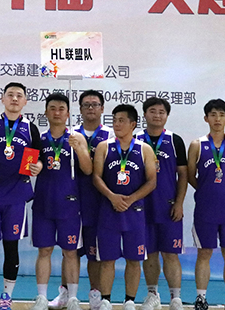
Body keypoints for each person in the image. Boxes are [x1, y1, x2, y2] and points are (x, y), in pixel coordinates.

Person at [0, 82, 42, 310]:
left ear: (25, 101)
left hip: (16, 196)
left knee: (11, 247)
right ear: (2, 98)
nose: (14, 99)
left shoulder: (30, 128)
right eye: (10, 95)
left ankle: (6, 296)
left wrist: (38, 166)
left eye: (19, 95)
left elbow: (38, 158)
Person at [49, 90, 113, 310]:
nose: (90, 108)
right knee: (70, 251)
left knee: (95, 254)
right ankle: (65, 294)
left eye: (95, 104)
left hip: (99, 203)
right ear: (80, 109)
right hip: (71, 201)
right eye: (86, 105)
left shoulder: (111, 135)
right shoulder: (70, 134)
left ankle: (95, 295)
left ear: (102, 108)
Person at [92, 104, 157, 310]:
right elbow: (96, 177)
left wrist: (130, 199)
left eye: (121, 120)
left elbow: (152, 181)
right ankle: (106, 300)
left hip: (134, 211)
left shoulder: (144, 149)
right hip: (109, 210)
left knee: (134, 259)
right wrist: (112, 197)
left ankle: (129, 300)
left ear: (133, 124)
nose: (117, 124)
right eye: (114, 120)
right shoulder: (104, 147)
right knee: (107, 259)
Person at [30, 93, 91, 310]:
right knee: (44, 250)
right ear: (46, 112)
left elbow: (88, 169)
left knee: (71, 251)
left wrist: (80, 149)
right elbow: (30, 165)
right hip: (43, 202)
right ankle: (41, 297)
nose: (57, 112)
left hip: (69, 203)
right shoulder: (38, 139)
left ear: (68, 113)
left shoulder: (77, 137)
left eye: (61, 109)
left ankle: (72, 297)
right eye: (52, 108)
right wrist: (35, 166)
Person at [187, 99, 225, 310]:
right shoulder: (197, 144)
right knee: (204, 253)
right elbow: (190, 176)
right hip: (206, 208)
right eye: (213, 114)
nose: (217, 119)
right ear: (206, 118)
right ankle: (201, 298)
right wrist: (206, 190)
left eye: (221, 114)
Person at [135, 98, 187, 310]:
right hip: (142, 206)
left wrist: (179, 203)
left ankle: (176, 298)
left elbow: (183, 175)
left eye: (161, 112)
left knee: (170, 253)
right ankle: (152, 295)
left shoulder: (175, 140)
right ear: (145, 114)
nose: (157, 115)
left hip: (168, 206)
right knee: (149, 253)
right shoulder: (135, 139)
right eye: (152, 111)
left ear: (167, 115)